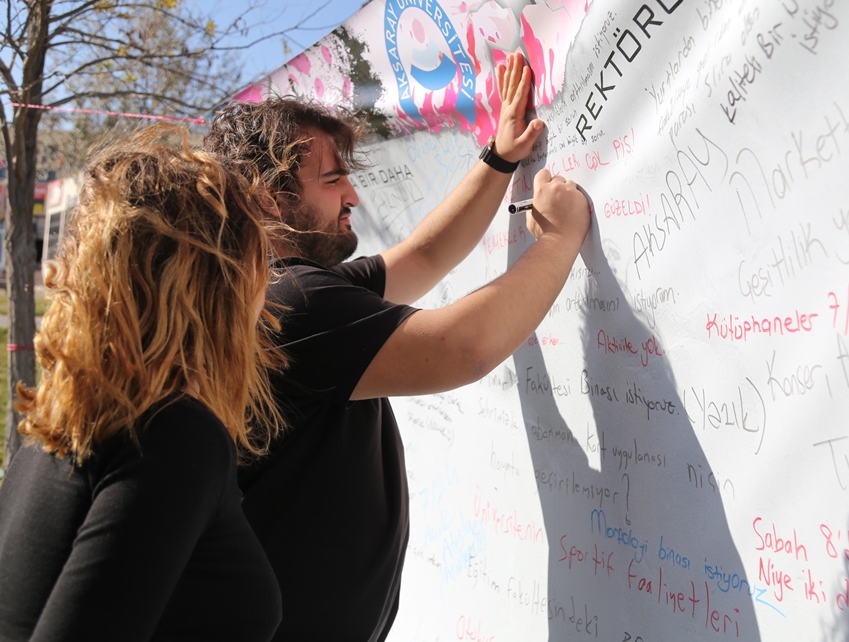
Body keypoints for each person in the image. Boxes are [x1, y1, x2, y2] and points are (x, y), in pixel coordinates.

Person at [204, 52, 591, 641]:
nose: (352, 196)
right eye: (332, 180)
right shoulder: (292, 302)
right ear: (264, 197)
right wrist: (560, 240)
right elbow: (465, 348)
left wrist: (498, 158)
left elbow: (424, 257)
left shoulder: (279, 290)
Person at [0, 126, 285, 641]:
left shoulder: (52, 441)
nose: (268, 288)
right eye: (261, 261)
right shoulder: (171, 437)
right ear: (217, 282)